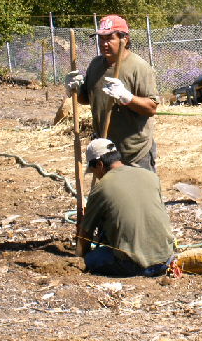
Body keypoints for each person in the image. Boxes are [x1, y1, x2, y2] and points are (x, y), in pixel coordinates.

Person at [64, 15, 159, 171]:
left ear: (124, 39)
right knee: (111, 188)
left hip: (134, 152)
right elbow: (87, 98)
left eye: (109, 38)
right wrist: (75, 89)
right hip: (106, 152)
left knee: (139, 187)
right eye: (101, 39)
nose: (104, 43)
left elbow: (151, 108)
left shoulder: (139, 67)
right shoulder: (96, 65)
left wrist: (126, 97)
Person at [76, 138, 174, 276]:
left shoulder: (102, 188)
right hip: (165, 259)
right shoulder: (150, 176)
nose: (96, 176)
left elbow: (86, 233)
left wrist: (83, 258)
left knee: (94, 258)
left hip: (134, 266)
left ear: (99, 164)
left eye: (94, 171)